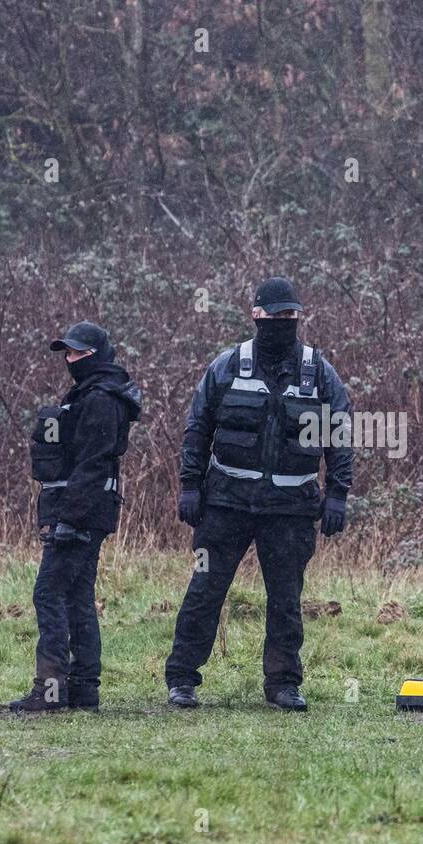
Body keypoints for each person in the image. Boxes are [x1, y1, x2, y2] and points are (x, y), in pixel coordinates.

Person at [166, 277, 353, 711]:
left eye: (292, 316)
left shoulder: (318, 371)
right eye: (276, 316)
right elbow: (198, 428)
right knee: (205, 590)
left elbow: (340, 434)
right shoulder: (227, 365)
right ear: (256, 316)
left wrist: (339, 494)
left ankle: (283, 684)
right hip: (225, 503)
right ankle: (181, 680)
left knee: (285, 599)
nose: (285, 323)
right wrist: (190, 484)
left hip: (290, 509)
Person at [8, 321, 141, 713]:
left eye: (79, 353)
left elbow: (93, 464)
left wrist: (69, 518)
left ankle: (50, 691)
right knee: (78, 596)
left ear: (97, 356)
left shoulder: (100, 399)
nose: (71, 359)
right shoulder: (89, 394)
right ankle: (84, 690)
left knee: (48, 592)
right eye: (67, 353)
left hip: (82, 512)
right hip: (88, 510)